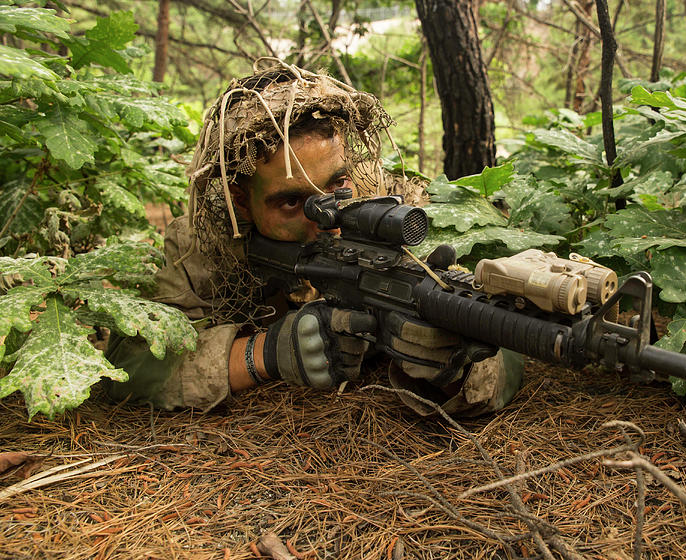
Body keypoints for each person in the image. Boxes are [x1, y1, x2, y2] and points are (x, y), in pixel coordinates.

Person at [106, 60, 523, 417]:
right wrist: (263, 355)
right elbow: (130, 367)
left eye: (339, 187)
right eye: (292, 203)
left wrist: (453, 367)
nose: (328, 220)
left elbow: (506, 345)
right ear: (241, 202)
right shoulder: (206, 244)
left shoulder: (399, 216)